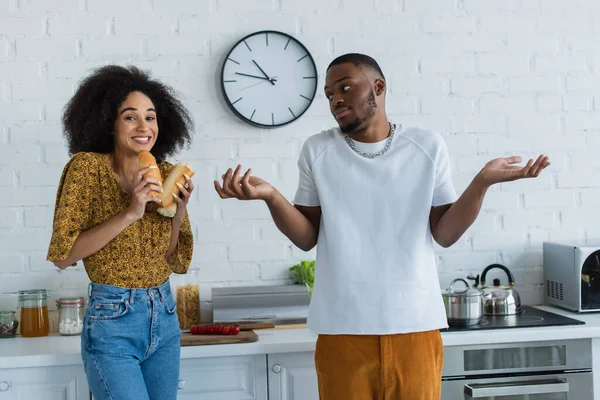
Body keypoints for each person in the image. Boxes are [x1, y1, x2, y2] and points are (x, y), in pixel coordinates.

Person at [214, 53, 550, 399]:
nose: (336, 99)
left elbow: (446, 233)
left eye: (345, 87)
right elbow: (306, 237)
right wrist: (271, 196)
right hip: (342, 329)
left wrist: (481, 183)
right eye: (329, 94)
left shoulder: (426, 146)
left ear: (379, 87)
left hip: (415, 326)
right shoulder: (317, 150)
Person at [46, 65, 195, 400]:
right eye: (130, 117)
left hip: (165, 314)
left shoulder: (167, 173)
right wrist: (132, 211)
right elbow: (62, 255)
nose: (144, 127)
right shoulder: (87, 170)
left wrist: (179, 211)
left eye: (151, 117)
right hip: (113, 319)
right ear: (108, 124)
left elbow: (173, 259)